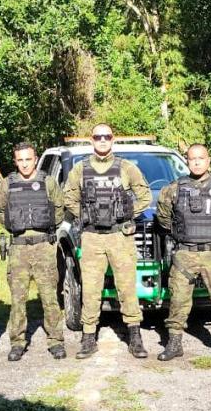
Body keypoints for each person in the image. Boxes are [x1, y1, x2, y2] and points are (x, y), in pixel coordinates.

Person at [62, 123, 152, 359]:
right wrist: (83, 214)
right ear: (92, 140)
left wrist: (126, 213)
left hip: (119, 237)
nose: (102, 140)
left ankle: (135, 337)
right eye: (98, 136)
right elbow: (67, 196)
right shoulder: (80, 170)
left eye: (107, 136)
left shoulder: (126, 167)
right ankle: (88, 337)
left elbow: (145, 195)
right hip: (92, 237)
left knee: (127, 288)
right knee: (91, 290)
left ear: (112, 140)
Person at [155, 144, 211, 361]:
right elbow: (163, 217)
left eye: (200, 158)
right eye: (192, 159)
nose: (196, 162)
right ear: (187, 161)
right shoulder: (174, 188)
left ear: (208, 160)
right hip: (184, 254)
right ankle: (174, 344)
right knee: (177, 301)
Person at [0, 142, 66, 361]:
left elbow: (60, 208)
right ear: (15, 161)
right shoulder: (7, 184)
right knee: (18, 299)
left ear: (35, 159)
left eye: (28, 159)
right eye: (20, 160)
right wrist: (14, 226)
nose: (25, 164)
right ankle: (17, 342)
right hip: (18, 249)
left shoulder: (48, 182)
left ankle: (56, 341)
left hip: (45, 246)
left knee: (49, 297)